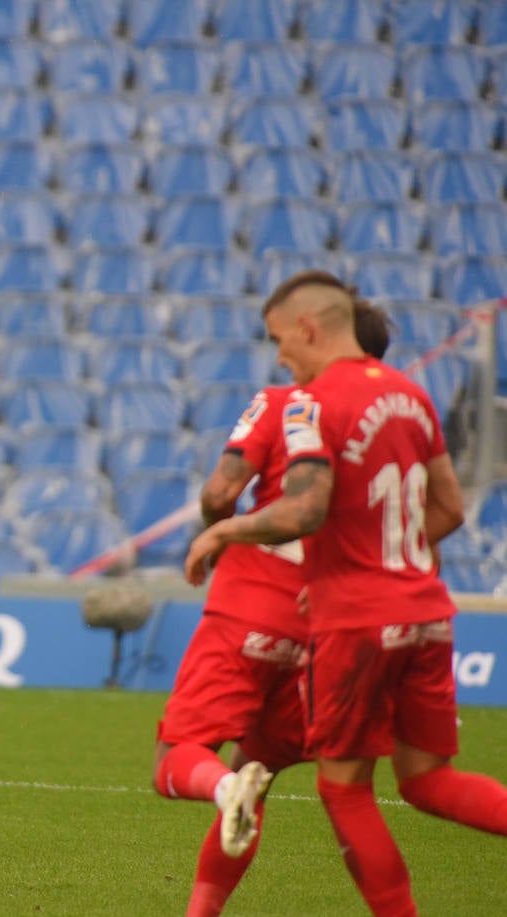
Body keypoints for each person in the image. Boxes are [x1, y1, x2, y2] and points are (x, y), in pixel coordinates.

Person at [184, 270, 507, 916]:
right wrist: (385, 555)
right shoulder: (412, 397)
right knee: (431, 782)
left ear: (309, 327)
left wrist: (227, 530)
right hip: (428, 612)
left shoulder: (308, 402)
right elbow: (447, 508)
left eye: (280, 339)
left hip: (357, 622)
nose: (280, 356)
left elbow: (306, 508)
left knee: (347, 792)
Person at [156, 300, 391, 917]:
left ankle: (225, 789)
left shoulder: (285, 403)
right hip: (332, 625)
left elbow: (220, 491)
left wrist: (223, 533)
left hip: (252, 603)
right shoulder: (397, 416)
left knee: (181, 761)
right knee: (299, 779)